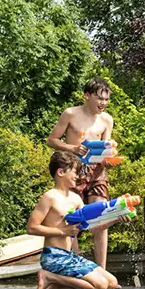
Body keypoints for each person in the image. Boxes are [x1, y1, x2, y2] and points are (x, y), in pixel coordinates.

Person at [27, 151, 120, 289]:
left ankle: (55, 286)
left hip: (70, 256)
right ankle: (48, 276)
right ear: (61, 172)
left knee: (112, 283)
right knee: (101, 285)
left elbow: (93, 228)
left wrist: (117, 217)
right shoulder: (49, 197)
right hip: (54, 256)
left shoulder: (76, 199)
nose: (77, 176)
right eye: (75, 172)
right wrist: (63, 231)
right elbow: (31, 228)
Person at [46, 77, 116, 269]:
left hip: (97, 171)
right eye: (99, 98)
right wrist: (72, 148)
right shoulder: (70, 114)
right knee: (72, 218)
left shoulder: (107, 119)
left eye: (106, 99)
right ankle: (74, 265)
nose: (103, 103)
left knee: (101, 216)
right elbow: (52, 140)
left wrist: (108, 160)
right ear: (87, 95)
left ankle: (101, 270)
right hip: (74, 171)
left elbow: (106, 148)